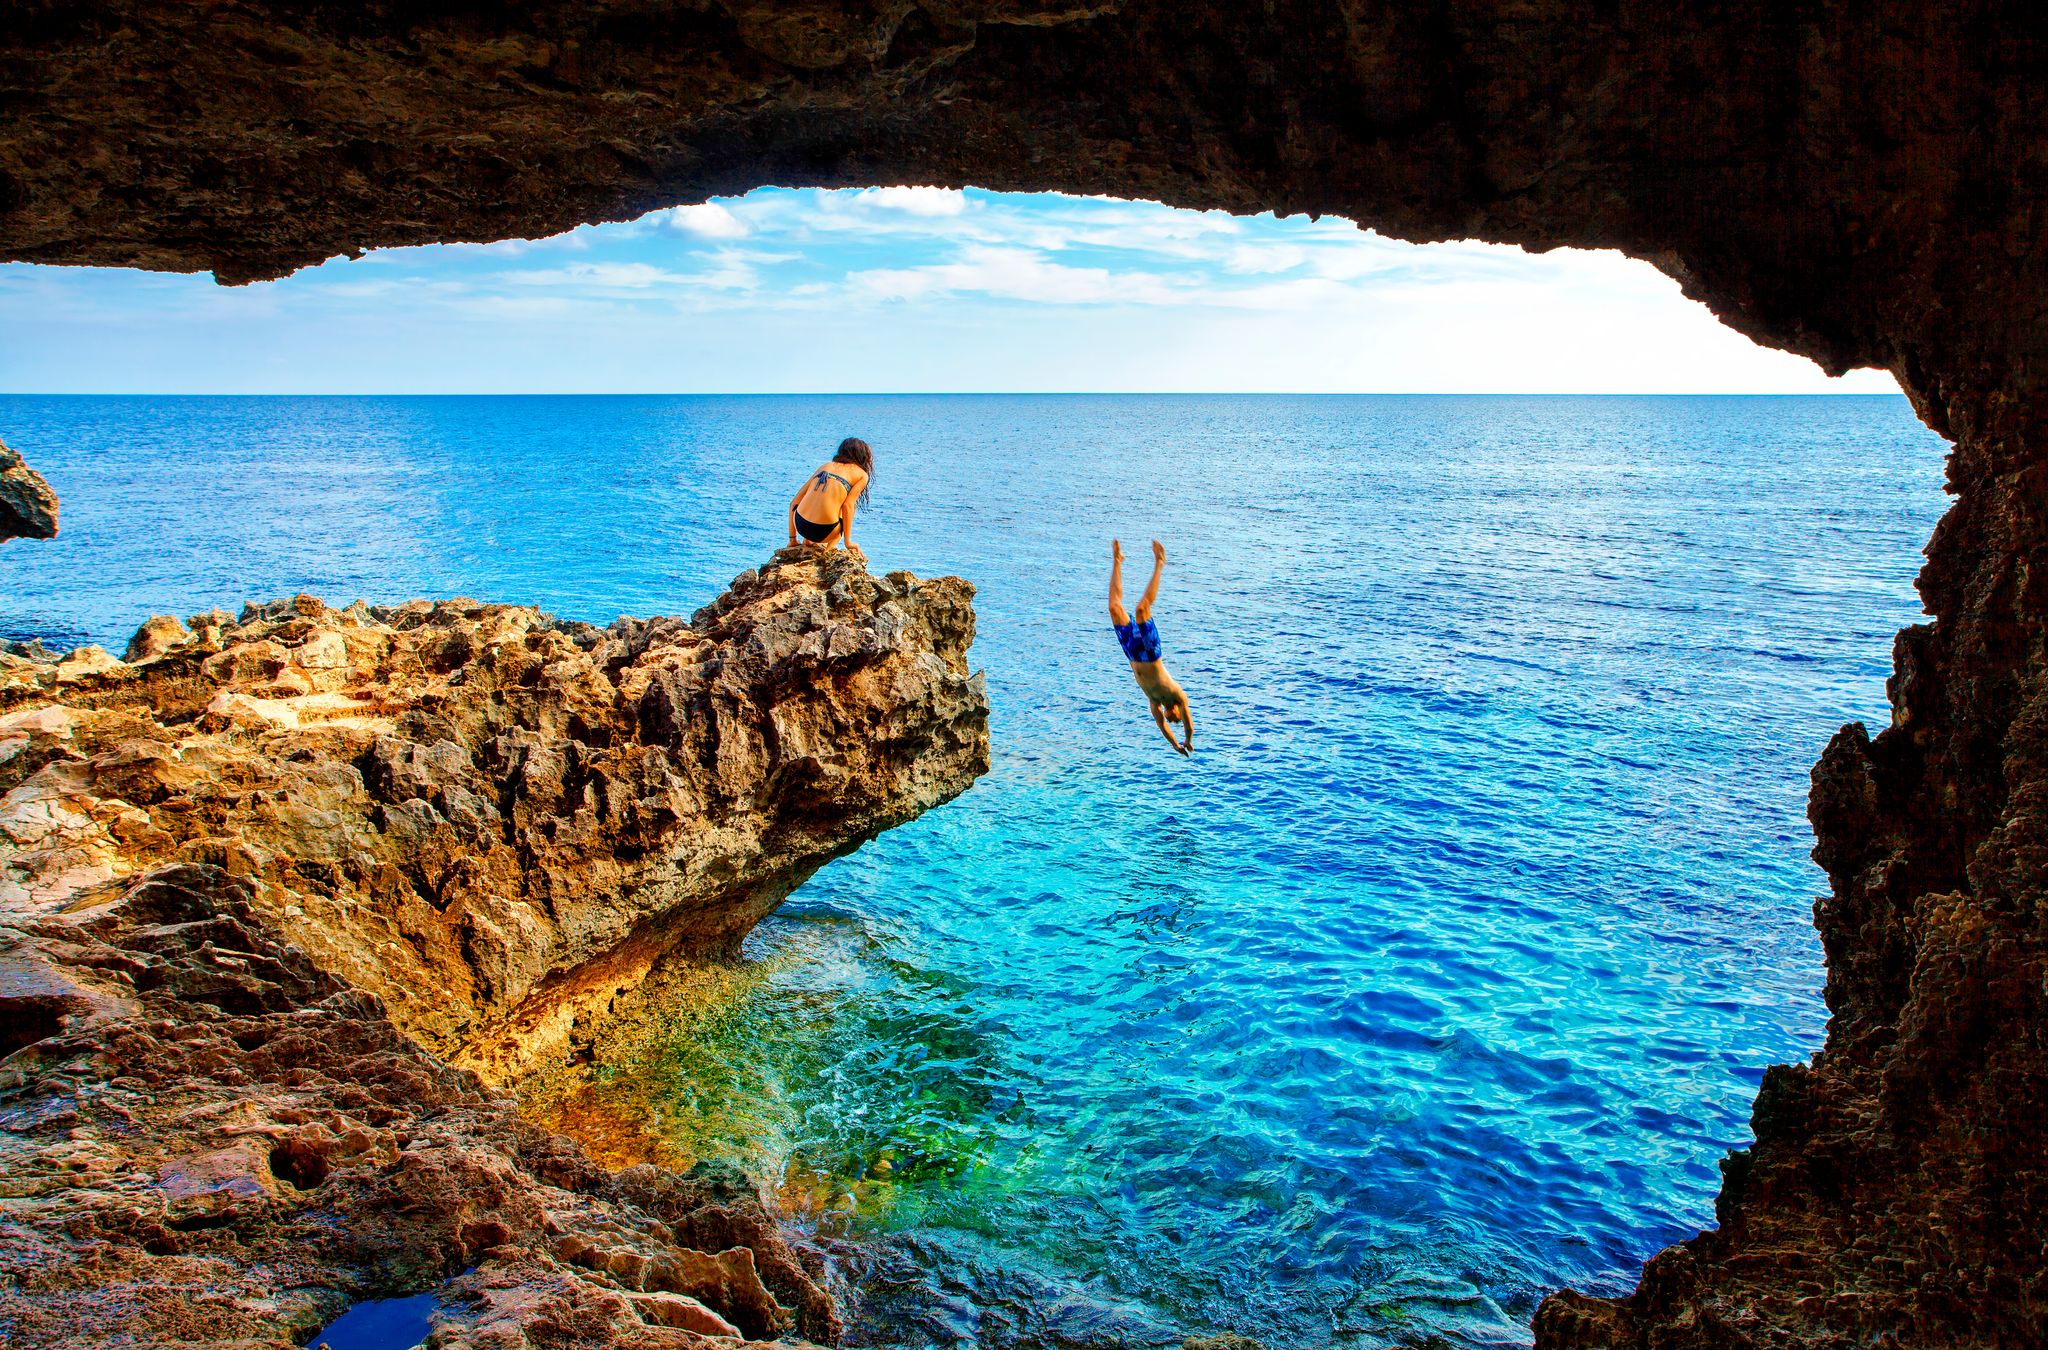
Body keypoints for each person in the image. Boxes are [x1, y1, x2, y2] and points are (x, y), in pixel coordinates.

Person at [1109, 538, 1193, 756]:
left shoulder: (1154, 702)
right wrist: (1187, 739)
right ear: (1177, 713)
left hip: (1132, 653)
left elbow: (1161, 727)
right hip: (1149, 652)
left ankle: (1117, 560)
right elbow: (1189, 723)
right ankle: (1160, 563)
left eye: (1171, 720)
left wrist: (1175, 745)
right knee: (1141, 609)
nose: (1171, 720)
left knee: (1114, 608)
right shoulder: (1178, 696)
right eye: (1175, 719)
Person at [788, 438, 873, 551]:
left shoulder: (826, 466)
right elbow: (848, 506)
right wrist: (848, 542)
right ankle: (830, 548)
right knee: (845, 506)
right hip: (825, 532)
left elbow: (794, 503)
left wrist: (792, 539)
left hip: (800, 525)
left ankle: (807, 540)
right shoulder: (862, 475)